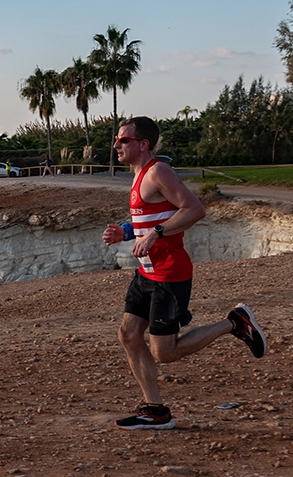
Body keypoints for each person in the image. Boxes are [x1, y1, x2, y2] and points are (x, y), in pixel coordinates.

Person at [101, 117, 267, 430]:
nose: (117, 145)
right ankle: (156, 411)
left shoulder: (158, 171)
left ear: (143, 144)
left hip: (169, 274)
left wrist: (156, 234)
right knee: (129, 334)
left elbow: (194, 209)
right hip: (146, 273)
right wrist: (125, 232)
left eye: (123, 140)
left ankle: (234, 322)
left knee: (164, 352)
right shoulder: (139, 176)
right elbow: (151, 217)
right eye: (117, 139)